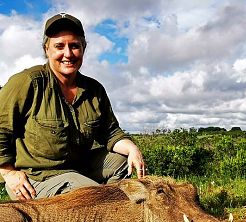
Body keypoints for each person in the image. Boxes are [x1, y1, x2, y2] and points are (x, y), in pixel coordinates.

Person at [0, 13, 145, 200]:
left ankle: (102, 210)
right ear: (47, 49)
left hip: (78, 168)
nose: (68, 54)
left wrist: (132, 148)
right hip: (37, 176)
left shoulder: (94, 89)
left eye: (75, 46)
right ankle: (101, 206)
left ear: (83, 49)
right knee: (97, 199)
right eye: (59, 46)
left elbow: (110, 133)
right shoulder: (28, 82)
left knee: (123, 161)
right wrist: (8, 172)